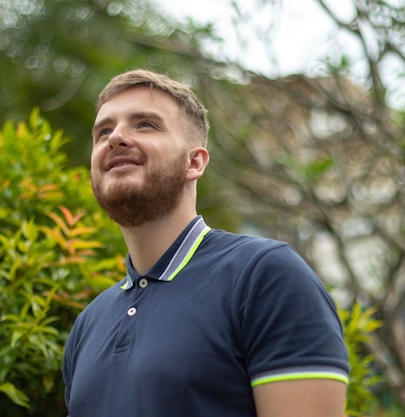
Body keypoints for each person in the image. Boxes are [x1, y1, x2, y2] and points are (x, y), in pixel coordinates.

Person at [62, 69, 349, 417]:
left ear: (194, 162)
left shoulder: (265, 276)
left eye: (146, 124)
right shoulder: (89, 324)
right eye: (104, 131)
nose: (116, 138)